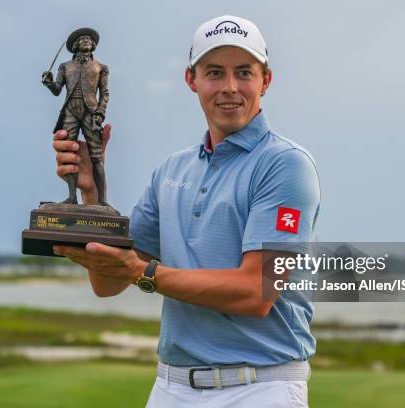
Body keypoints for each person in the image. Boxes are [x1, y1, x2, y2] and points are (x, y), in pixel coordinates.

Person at [52, 15, 321, 408]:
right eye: (215, 72)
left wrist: (140, 273)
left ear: (266, 80)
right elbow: (107, 284)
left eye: (244, 72)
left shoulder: (287, 166)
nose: (230, 87)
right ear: (191, 80)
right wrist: (92, 196)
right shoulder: (172, 171)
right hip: (170, 387)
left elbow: (256, 292)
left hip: (261, 388)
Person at [42, 27, 110, 205]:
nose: (87, 41)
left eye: (89, 39)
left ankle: (102, 201)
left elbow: (105, 94)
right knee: (69, 151)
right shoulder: (65, 67)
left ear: (93, 45)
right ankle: (72, 196)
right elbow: (57, 90)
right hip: (70, 111)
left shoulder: (101, 67)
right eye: (83, 39)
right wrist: (49, 83)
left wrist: (100, 114)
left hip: (90, 112)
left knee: (96, 156)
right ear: (75, 46)